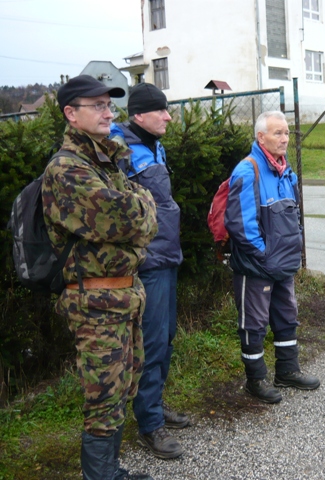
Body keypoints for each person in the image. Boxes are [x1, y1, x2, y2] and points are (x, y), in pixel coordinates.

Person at [44, 75, 158, 479]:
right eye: (97, 105)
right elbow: (129, 215)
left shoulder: (103, 162)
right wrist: (140, 209)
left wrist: (139, 210)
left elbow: (141, 214)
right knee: (104, 396)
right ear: (71, 114)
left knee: (124, 387)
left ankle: (111, 471)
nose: (108, 112)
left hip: (123, 297)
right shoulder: (66, 169)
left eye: (109, 105)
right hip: (95, 303)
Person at [110, 83, 189, 460]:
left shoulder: (154, 146)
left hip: (167, 257)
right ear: (140, 114)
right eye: (162, 110)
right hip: (148, 263)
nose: (169, 116)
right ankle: (149, 425)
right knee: (152, 342)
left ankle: (155, 405)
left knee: (167, 336)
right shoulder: (118, 149)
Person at [224, 110, 320, 404]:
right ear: (260, 137)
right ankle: (255, 380)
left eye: (287, 133)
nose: (284, 138)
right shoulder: (247, 170)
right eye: (277, 133)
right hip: (258, 266)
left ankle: (287, 371)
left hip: (283, 264)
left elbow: (294, 217)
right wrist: (263, 255)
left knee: (286, 317)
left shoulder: (285, 170)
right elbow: (240, 223)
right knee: (253, 324)